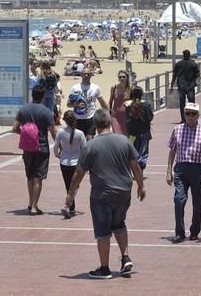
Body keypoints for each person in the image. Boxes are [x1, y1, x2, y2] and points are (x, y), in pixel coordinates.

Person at [65, 109, 145, 279]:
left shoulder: (90, 145)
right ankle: (125, 257)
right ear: (109, 122)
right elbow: (136, 166)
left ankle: (104, 268)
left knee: (103, 232)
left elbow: (79, 173)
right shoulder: (124, 140)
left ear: (95, 124)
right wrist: (141, 185)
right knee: (119, 224)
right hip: (124, 192)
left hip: (102, 194)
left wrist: (70, 195)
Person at [166, 102, 201, 243]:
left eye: (193, 114)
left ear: (198, 115)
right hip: (181, 169)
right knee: (179, 200)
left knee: (197, 202)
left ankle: (194, 231)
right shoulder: (177, 129)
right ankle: (179, 232)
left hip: (198, 168)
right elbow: (172, 150)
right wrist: (168, 171)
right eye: (188, 113)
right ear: (184, 114)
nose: (190, 116)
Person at [14, 85, 57, 215]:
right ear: (43, 96)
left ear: (32, 94)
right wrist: (58, 145)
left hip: (28, 148)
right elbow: (53, 131)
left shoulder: (23, 110)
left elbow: (15, 128)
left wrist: (25, 135)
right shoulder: (46, 112)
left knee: (30, 176)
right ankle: (34, 206)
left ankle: (29, 202)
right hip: (42, 147)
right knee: (38, 177)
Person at [54, 110, 86, 218]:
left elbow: (56, 146)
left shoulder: (60, 132)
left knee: (68, 185)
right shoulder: (80, 133)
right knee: (75, 185)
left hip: (64, 162)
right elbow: (85, 149)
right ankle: (67, 206)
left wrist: (57, 155)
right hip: (76, 163)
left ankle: (71, 207)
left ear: (65, 121)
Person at [67, 67, 108, 140]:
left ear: (91, 75)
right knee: (78, 140)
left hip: (90, 119)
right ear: (81, 75)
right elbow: (68, 104)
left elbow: (102, 101)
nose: (86, 76)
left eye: (88, 74)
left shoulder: (95, 88)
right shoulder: (75, 88)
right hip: (77, 119)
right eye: (84, 74)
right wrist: (76, 105)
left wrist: (108, 112)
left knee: (90, 139)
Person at [125, 86, 154, 171]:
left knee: (133, 150)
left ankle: (133, 166)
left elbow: (127, 118)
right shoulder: (147, 105)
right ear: (142, 95)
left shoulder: (128, 105)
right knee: (143, 152)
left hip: (132, 133)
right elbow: (150, 118)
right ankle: (140, 166)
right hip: (144, 132)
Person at [170, 49, 200, 123]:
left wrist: (171, 86)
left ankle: (183, 119)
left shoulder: (178, 64)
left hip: (181, 86)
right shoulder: (193, 64)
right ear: (189, 55)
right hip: (190, 86)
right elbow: (198, 74)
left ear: (183, 55)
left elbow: (174, 76)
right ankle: (193, 118)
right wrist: (193, 79)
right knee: (192, 103)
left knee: (182, 103)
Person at [109, 70, 131, 134]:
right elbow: (110, 101)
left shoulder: (130, 89)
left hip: (126, 117)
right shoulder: (114, 87)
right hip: (115, 116)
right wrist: (108, 113)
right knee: (117, 134)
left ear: (127, 77)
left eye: (123, 77)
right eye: (120, 77)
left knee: (126, 135)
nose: (122, 78)